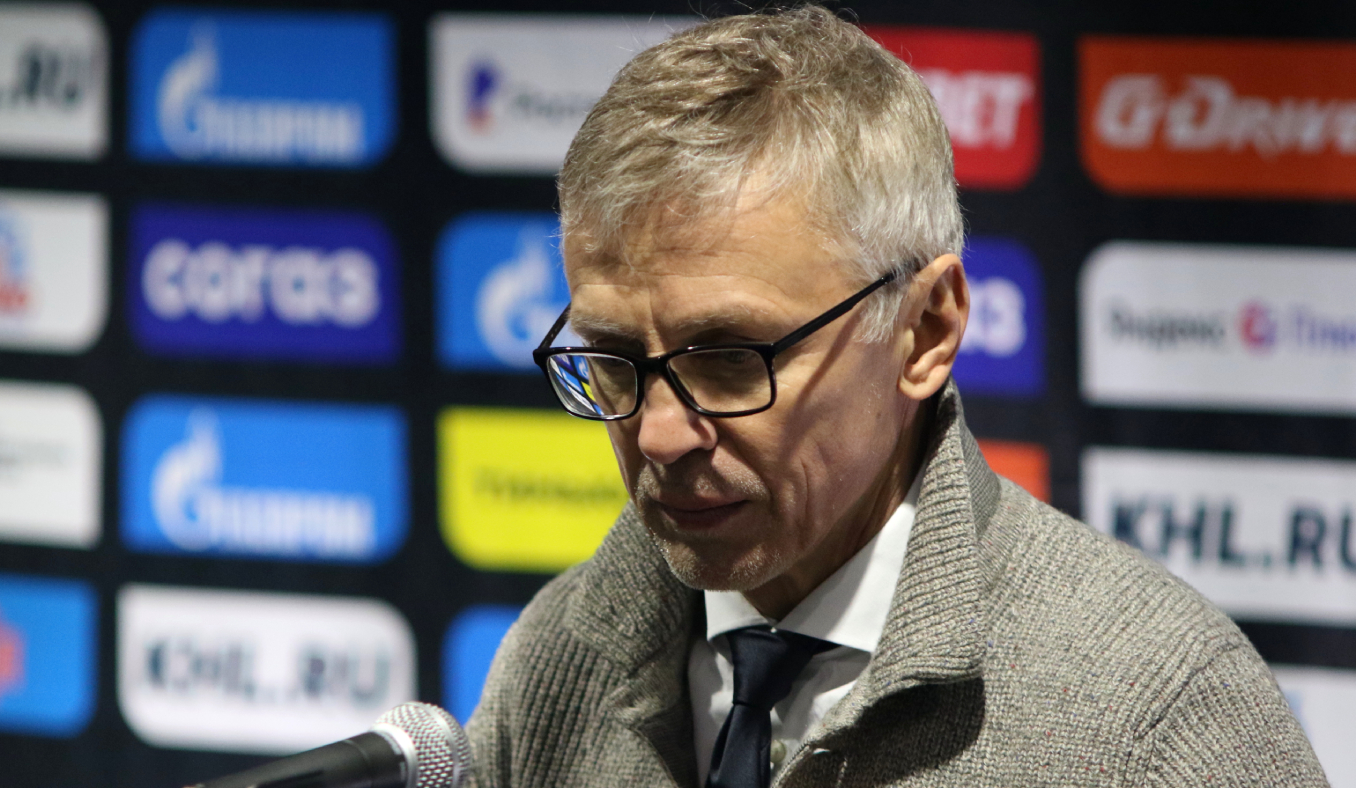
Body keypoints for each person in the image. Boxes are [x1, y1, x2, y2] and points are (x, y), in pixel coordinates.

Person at [465, 6, 1327, 787]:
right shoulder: (553, 663)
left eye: (729, 359)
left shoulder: (1160, 717)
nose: (658, 435)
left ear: (926, 331)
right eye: (614, 359)